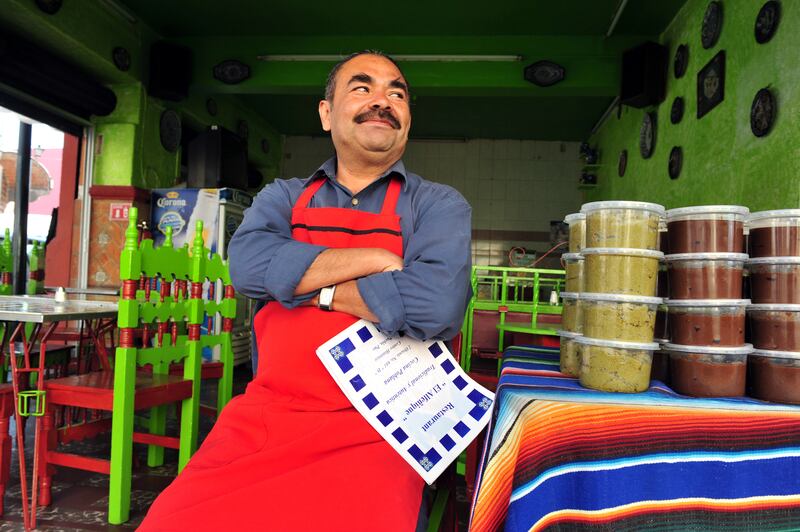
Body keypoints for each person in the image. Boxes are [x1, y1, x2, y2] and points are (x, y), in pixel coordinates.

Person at [139, 50, 472, 531]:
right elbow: (248, 266)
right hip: (268, 413)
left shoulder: (438, 203)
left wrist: (312, 288)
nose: (382, 101)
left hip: (384, 428)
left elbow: (437, 305)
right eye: (362, 88)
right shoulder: (284, 195)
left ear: (407, 120)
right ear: (326, 113)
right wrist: (375, 261)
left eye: (396, 93)